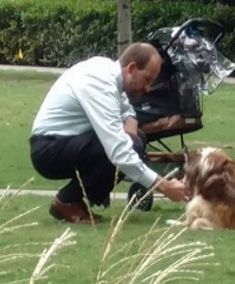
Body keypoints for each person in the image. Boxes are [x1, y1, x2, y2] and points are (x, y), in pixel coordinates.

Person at [29, 43, 190, 224]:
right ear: (131, 68)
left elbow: (127, 110)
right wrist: (164, 186)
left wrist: (130, 125)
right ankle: (66, 201)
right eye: (147, 80)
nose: (148, 89)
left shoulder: (109, 72)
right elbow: (118, 151)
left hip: (63, 142)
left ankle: (75, 200)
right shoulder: (99, 83)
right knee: (128, 146)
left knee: (136, 140)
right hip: (48, 150)